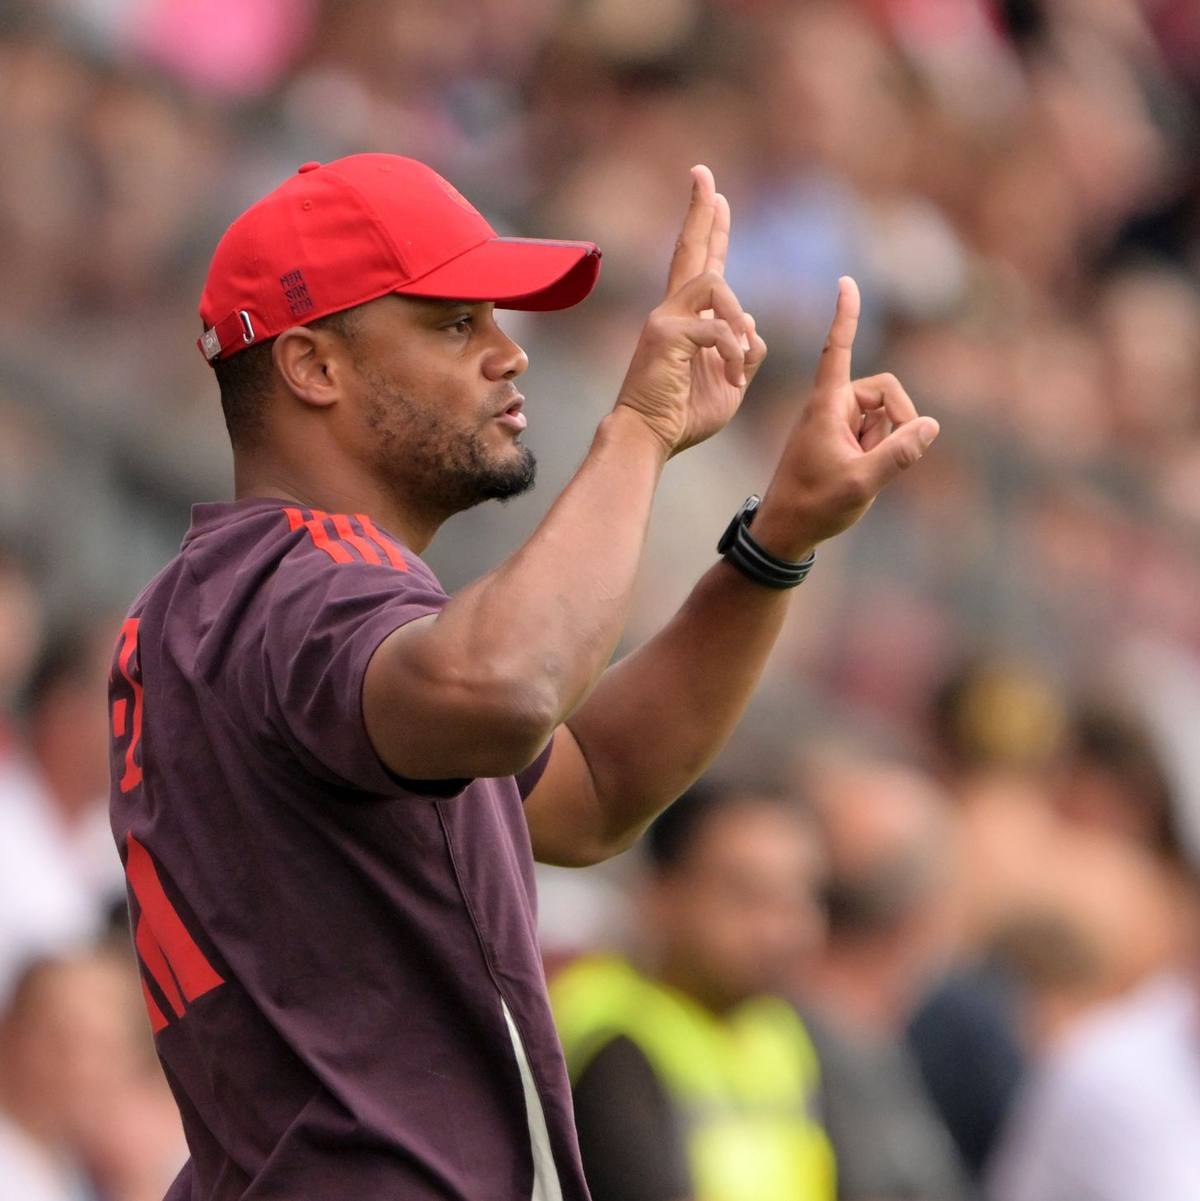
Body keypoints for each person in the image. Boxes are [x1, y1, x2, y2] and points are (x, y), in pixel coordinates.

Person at [107, 152, 939, 1200]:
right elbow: (505, 687)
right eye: (457, 324)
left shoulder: (221, 597)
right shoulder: (305, 581)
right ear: (314, 365)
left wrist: (776, 542)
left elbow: (587, 792)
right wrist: (638, 427)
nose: (511, 355)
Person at [551, 784, 835, 1201]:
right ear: (663, 894)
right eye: (746, 895)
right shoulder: (614, 1036)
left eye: (799, 896)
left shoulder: (780, 1030)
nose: (782, 929)